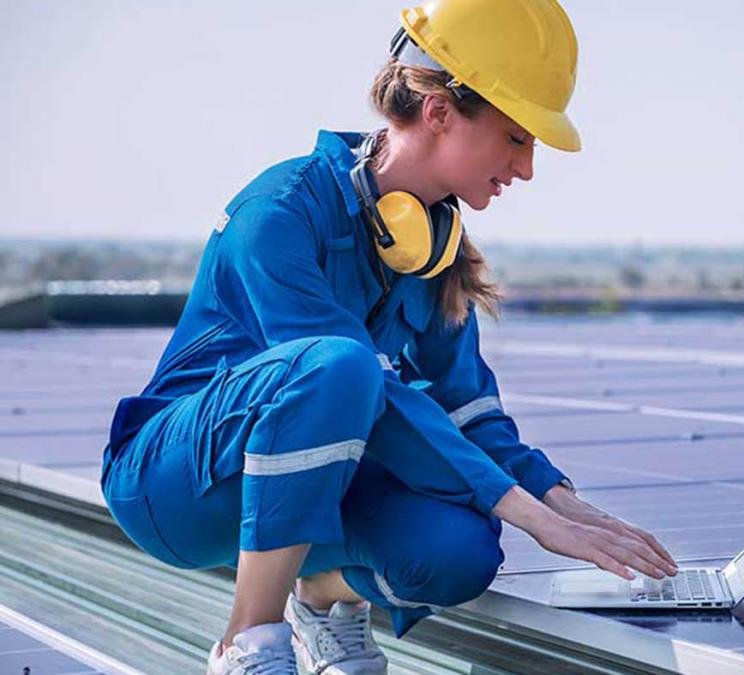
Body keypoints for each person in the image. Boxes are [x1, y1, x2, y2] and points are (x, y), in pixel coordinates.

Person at [100, 1, 678, 673]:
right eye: (516, 138)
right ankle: (248, 643)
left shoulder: (432, 250)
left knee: (460, 550)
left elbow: (468, 413)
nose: (525, 168)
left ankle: (321, 596)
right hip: (178, 486)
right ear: (439, 112)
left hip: (313, 491)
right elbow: (354, 385)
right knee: (341, 366)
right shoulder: (279, 212)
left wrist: (563, 503)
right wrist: (531, 515)